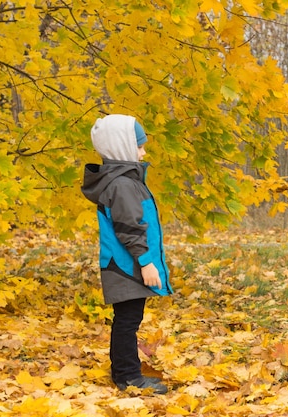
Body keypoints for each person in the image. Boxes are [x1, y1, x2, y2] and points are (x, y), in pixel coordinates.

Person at [82, 114, 173, 394]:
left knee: (128, 320)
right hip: (125, 265)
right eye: (139, 145)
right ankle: (128, 377)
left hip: (125, 264)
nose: (144, 151)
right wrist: (146, 262)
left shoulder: (125, 180)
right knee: (127, 322)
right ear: (121, 146)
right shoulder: (122, 184)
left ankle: (124, 373)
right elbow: (129, 228)